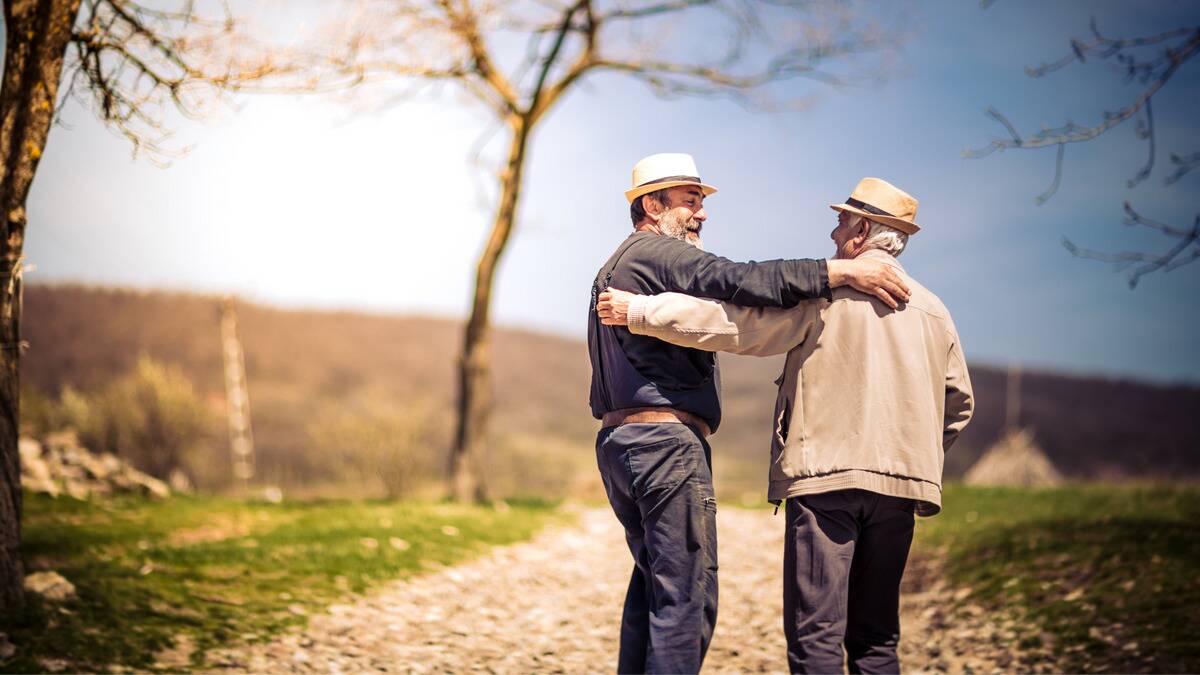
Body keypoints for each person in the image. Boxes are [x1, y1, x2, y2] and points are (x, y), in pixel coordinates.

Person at [596, 177, 975, 674]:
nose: (835, 231)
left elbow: (737, 327)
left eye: (842, 221)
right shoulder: (935, 311)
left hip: (826, 480)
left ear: (862, 230)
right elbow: (959, 402)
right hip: (902, 486)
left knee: (816, 632)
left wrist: (639, 310)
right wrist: (913, 454)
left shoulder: (828, 296)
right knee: (878, 635)